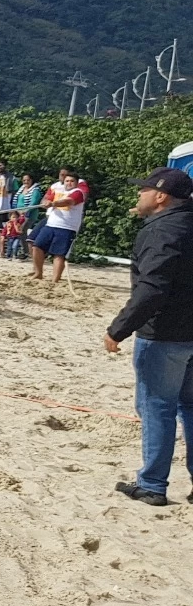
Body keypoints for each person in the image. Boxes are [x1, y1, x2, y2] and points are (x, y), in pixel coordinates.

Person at [101, 168, 193, 507]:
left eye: (143, 191)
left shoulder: (163, 231)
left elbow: (152, 289)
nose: (138, 196)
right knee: (189, 407)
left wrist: (118, 329)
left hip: (165, 333)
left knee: (157, 406)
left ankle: (153, 485)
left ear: (160, 196)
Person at [31, 167, 87, 284]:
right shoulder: (57, 190)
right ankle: (38, 273)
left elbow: (69, 201)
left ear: (76, 183)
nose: (69, 183)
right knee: (37, 246)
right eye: (67, 181)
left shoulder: (78, 192)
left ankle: (54, 280)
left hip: (67, 227)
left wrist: (53, 203)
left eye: (72, 181)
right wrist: (44, 203)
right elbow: (46, 200)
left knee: (59, 254)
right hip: (51, 224)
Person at [12, 172, 44, 260]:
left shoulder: (35, 190)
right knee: (18, 231)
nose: (26, 182)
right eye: (24, 180)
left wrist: (25, 211)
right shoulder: (21, 189)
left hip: (29, 215)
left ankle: (27, 252)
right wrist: (16, 211)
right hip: (18, 214)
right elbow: (16, 201)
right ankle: (23, 251)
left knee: (23, 231)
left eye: (28, 180)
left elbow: (34, 203)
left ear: (31, 180)